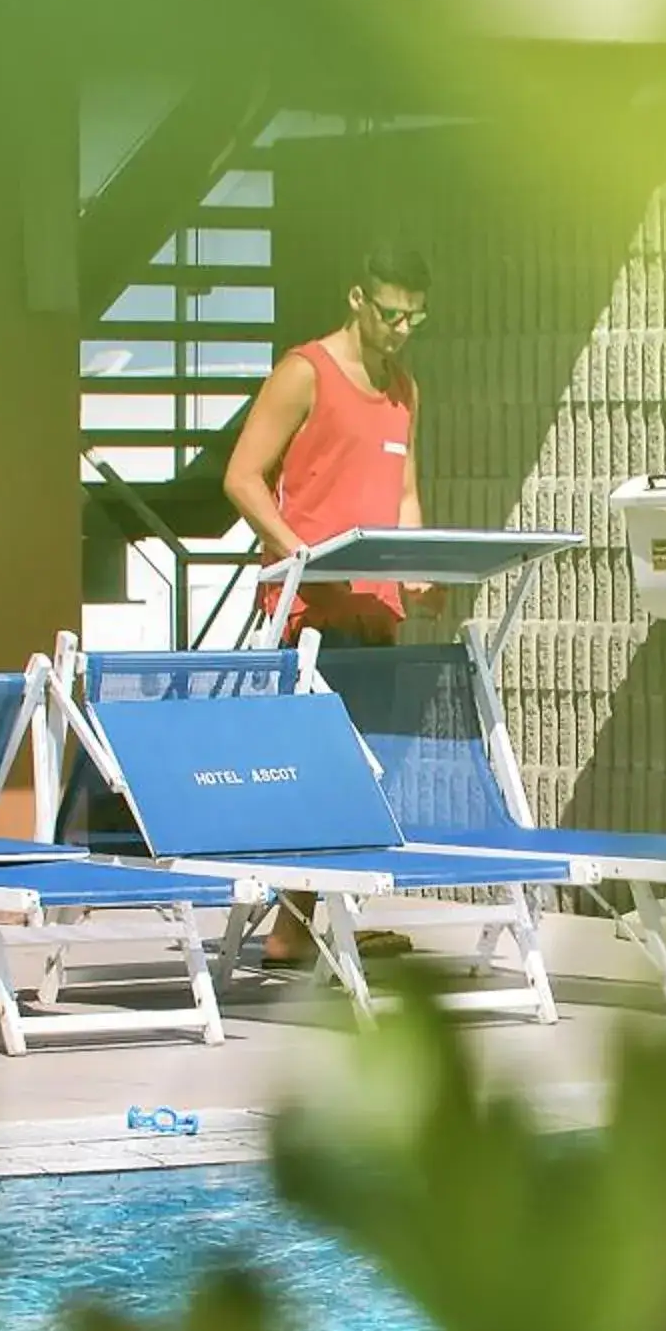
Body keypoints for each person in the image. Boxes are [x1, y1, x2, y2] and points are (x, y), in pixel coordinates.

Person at [223, 243, 438, 965]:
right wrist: (296, 554)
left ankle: (310, 925)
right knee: (314, 769)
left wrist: (419, 568)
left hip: (375, 607)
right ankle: (291, 930)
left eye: (415, 317)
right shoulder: (304, 372)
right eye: (390, 314)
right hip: (311, 611)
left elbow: (404, 493)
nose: (401, 328)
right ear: (357, 298)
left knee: (364, 769)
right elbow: (243, 478)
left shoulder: (404, 389)